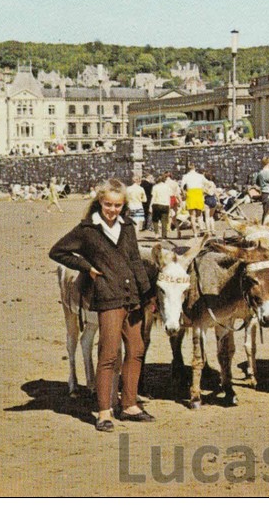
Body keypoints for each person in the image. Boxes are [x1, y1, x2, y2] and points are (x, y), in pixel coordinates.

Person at [49, 179, 155, 432]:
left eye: (117, 205)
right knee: (108, 354)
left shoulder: (127, 226)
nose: (112, 210)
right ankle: (104, 411)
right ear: (99, 202)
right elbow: (58, 252)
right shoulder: (87, 229)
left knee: (137, 349)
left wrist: (147, 294)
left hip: (132, 296)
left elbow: (135, 261)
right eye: (108, 204)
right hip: (108, 297)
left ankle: (129, 405)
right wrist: (87, 268)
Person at [180, 165, 207, 237]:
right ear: (195, 168)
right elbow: (208, 183)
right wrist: (204, 190)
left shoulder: (185, 176)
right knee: (199, 214)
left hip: (190, 193)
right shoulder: (200, 176)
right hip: (198, 193)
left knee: (192, 215)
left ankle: (195, 232)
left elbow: (182, 186)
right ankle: (202, 229)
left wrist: (184, 194)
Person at [149, 173, 172, 239]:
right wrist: (169, 206)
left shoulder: (155, 187)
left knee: (155, 220)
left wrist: (150, 206)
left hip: (157, 204)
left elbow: (153, 197)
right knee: (164, 221)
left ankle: (156, 233)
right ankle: (164, 235)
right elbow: (169, 197)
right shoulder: (167, 187)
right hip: (165, 204)